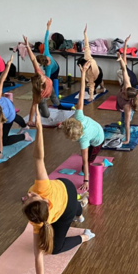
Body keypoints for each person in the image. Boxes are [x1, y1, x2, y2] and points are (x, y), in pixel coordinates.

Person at [21, 120, 95, 274]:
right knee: (53, 249)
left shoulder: (43, 188)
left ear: (46, 201)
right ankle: (84, 234)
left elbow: (38, 157)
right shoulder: (37, 220)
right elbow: (38, 253)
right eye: (29, 198)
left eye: (29, 197)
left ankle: (80, 214)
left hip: (66, 191)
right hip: (62, 206)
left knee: (75, 210)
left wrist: (40, 129)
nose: (28, 194)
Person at [61, 61, 105, 192]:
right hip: (95, 128)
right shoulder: (78, 116)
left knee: (87, 165)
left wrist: (86, 181)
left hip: (98, 140)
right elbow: (81, 94)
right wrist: (83, 73)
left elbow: (85, 161)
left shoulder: (83, 140)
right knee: (84, 163)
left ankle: (104, 163)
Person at [0, 55, 32, 160]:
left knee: (4, 140)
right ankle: (24, 125)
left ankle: (25, 136)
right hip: (6, 102)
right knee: (13, 115)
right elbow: (1, 80)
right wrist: (8, 65)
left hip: (9, 112)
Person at [22, 35, 61, 125]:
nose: (44, 77)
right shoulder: (38, 94)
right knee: (46, 115)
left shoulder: (39, 72)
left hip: (50, 88)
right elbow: (33, 105)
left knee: (54, 96)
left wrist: (28, 46)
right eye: (43, 79)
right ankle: (41, 107)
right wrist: (30, 120)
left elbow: (33, 59)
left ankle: (59, 105)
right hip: (43, 96)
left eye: (42, 77)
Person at [115, 35, 138, 144]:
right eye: (123, 91)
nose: (122, 92)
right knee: (122, 127)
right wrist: (120, 58)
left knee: (124, 128)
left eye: (124, 93)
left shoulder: (127, 107)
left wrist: (127, 140)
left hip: (125, 106)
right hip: (131, 90)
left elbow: (127, 124)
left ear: (128, 98)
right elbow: (124, 70)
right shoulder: (126, 85)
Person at [77, 24, 106, 102]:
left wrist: (91, 96)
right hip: (97, 68)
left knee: (93, 89)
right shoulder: (87, 57)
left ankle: (102, 89)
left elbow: (91, 85)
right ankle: (102, 85)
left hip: (97, 74)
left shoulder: (91, 74)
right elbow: (86, 45)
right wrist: (85, 33)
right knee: (92, 82)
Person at [36, 18, 60, 84]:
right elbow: (46, 40)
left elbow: (46, 40)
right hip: (53, 67)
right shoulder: (46, 54)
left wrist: (48, 26)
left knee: (53, 82)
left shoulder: (47, 66)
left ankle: (58, 87)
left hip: (55, 69)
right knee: (50, 82)